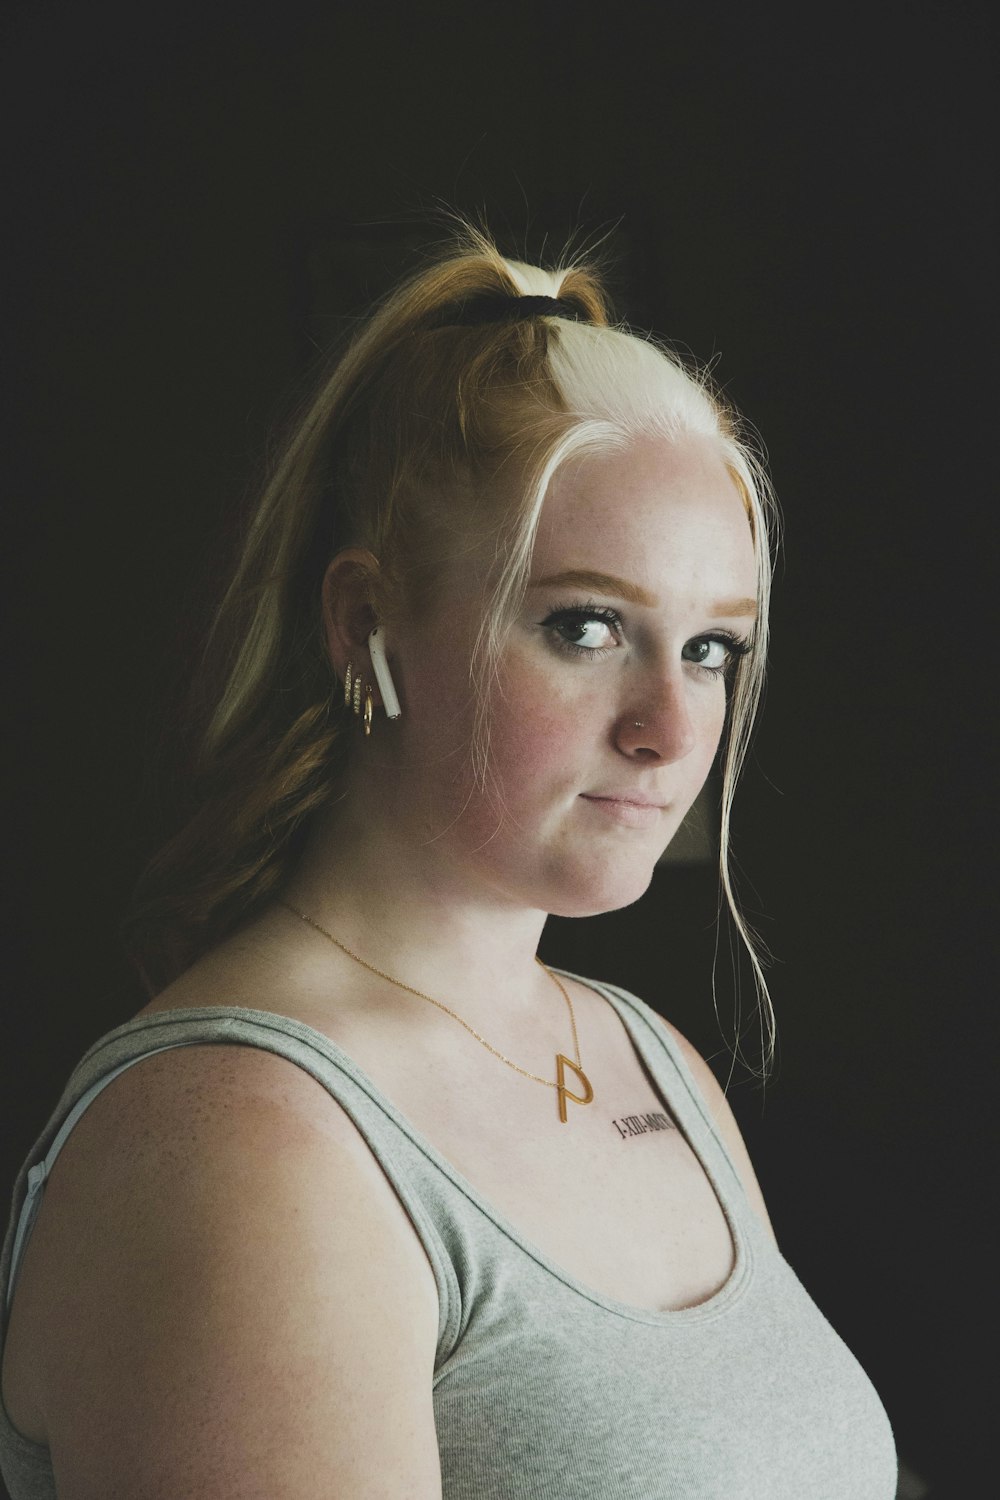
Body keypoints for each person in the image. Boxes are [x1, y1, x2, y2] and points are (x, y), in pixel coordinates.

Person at [0, 225, 897, 1498]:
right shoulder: (248, 1145)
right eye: (584, 626)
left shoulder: (651, 1061)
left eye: (710, 648)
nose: (670, 729)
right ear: (369, 625)